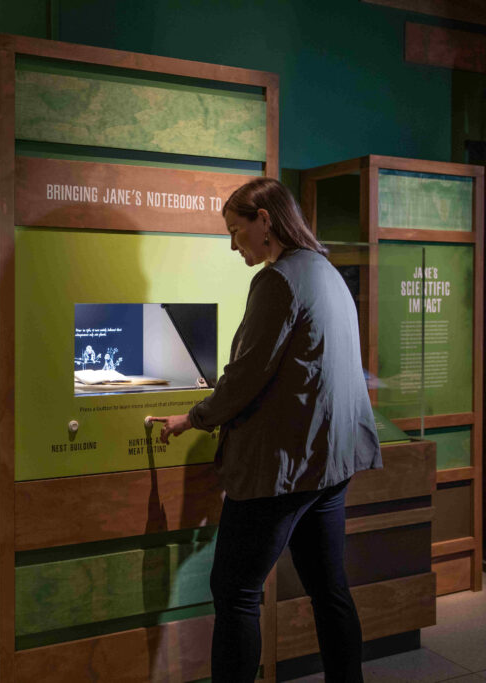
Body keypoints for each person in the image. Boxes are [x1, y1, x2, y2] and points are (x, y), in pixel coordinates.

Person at [151, 177, 381, 683]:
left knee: (235, 591)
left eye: (237, 231)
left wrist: (194, 418)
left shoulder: (279, 280)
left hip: (285, 469)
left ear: (265, 222)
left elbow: (244, 377)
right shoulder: (325, 270)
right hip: (331, 464)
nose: (234, 245)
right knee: (330, 590)